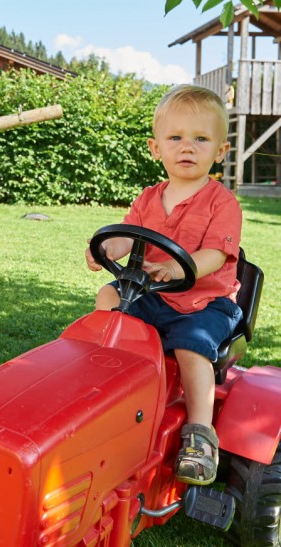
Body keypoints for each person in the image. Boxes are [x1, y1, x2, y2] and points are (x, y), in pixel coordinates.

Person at [85, 84, 243, 486]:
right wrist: (105, 248)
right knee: (108, 296)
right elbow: (126, 236)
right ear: (156, 148)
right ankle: (104, 386)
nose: (187, 147)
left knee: (191, 347)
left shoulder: (222, 202)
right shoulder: (148, 198)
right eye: (175, 138)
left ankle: (200, 435)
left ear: (220, 151)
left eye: (200, 139)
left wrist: (176, 267)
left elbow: (216, 255)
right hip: (151, 296)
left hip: (204, 304)